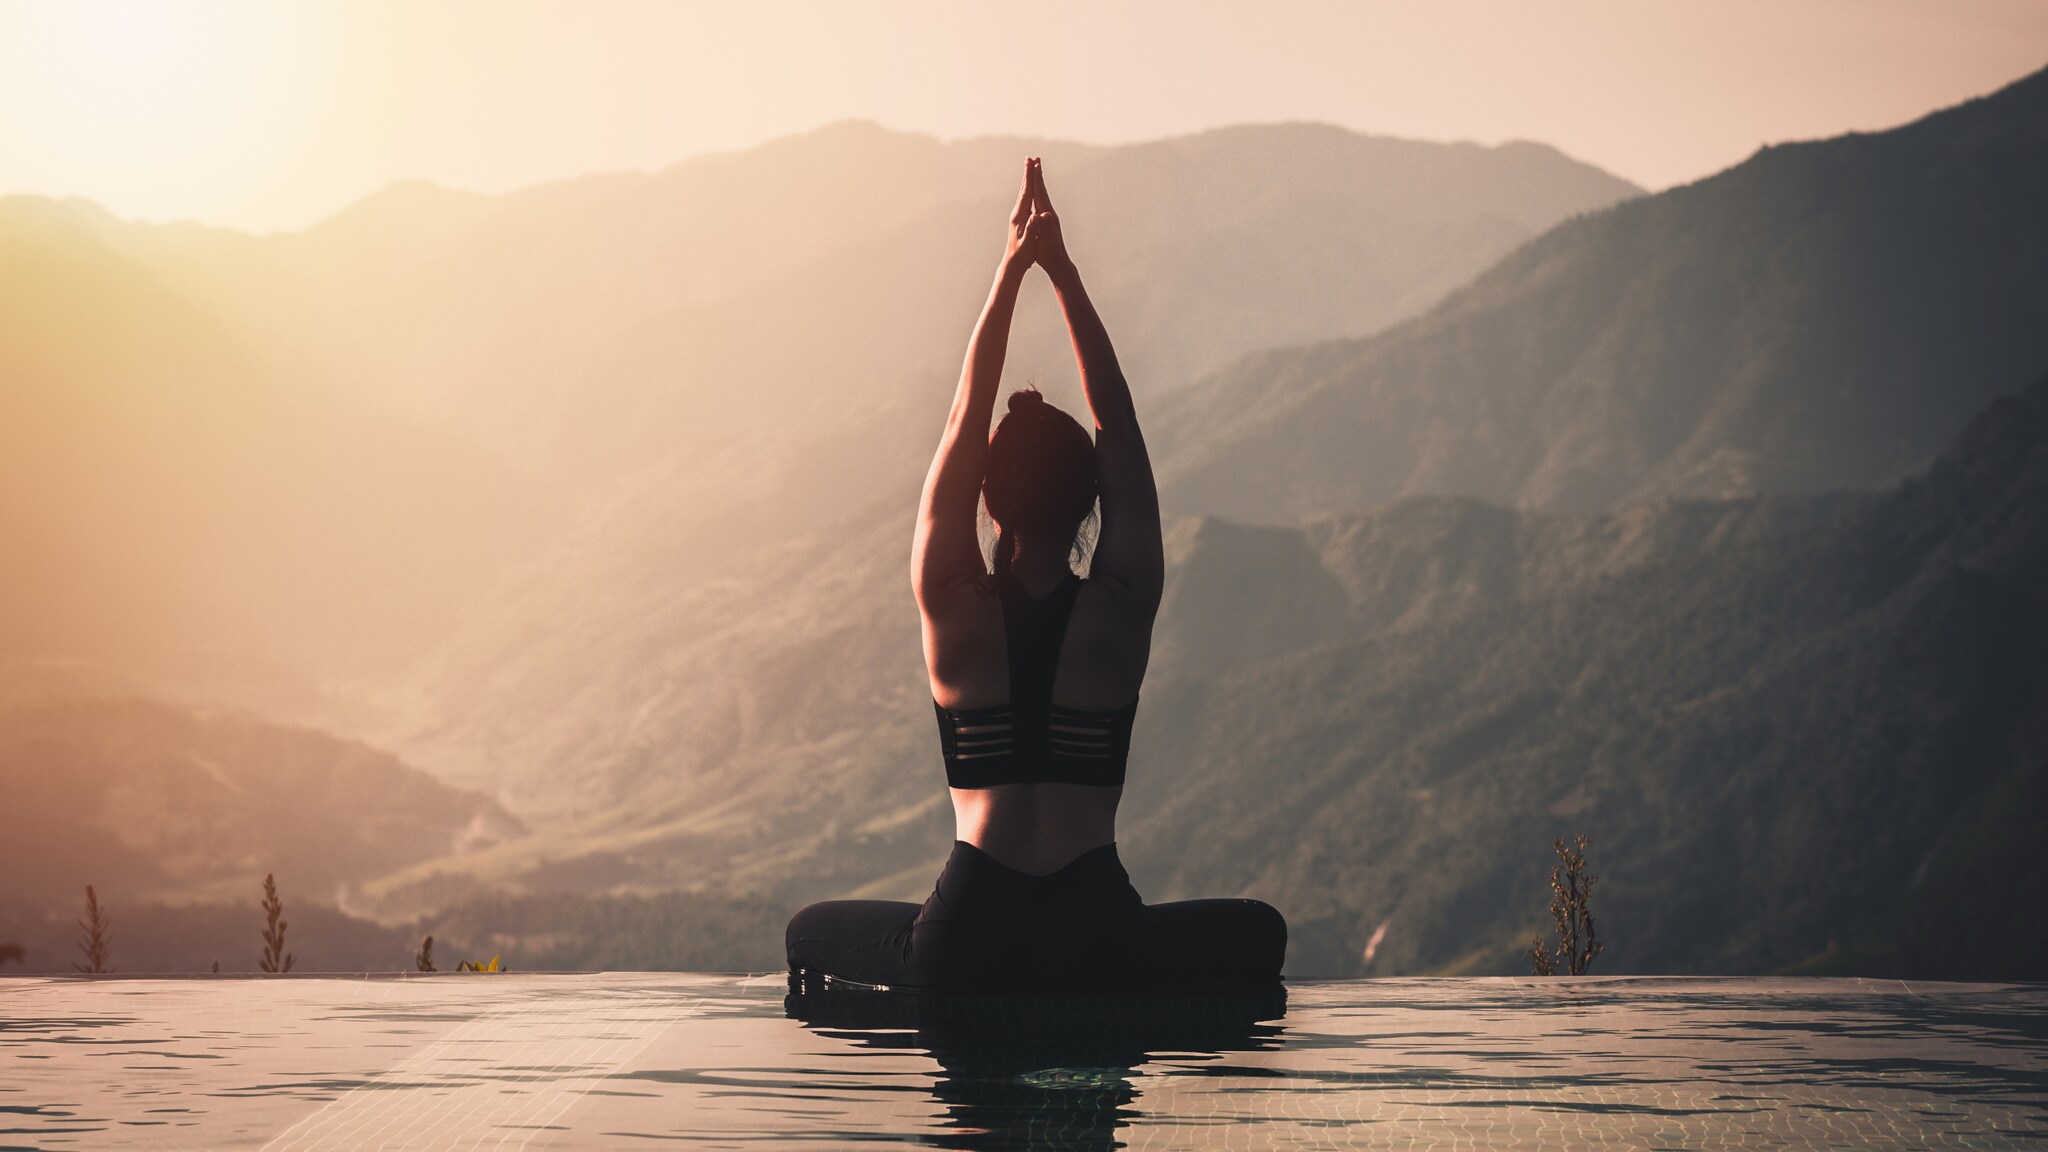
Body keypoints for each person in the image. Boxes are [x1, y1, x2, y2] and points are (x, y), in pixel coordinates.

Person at [786, 158, 1286, 993]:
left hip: (966, 938)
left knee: (809, 933)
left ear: (988, 495)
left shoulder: (950, 603)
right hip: (1098, 938)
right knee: (1259, 932)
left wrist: (1009, 272)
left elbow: (961, 420)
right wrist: (1063, 272)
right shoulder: (1121, 604)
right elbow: (1117, 418)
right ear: (1091, 495)